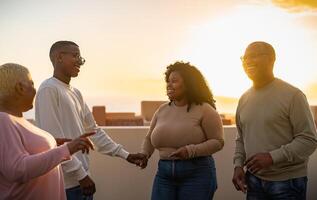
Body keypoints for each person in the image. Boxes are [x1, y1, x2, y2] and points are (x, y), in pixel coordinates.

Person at [35, 41, 145, 200]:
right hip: (65, 185)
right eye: (75, 56)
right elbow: (53, 142)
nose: (80, 61)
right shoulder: (48, 89)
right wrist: (81, 175)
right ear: (59, 57)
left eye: (80, 57)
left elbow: (94, 131)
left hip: (82, 181)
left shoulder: (75, 93)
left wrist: (125, 155)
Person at [232, 41, 317, 200]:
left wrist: (272, 157)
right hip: (253, 181)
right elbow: (241, 138)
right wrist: (238, 165)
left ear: (271, 59)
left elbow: (309, 140)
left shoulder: (293, 95)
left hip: (287, 182)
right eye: (245, 57)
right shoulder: (244, 98)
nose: (248, 61)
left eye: (254, 56)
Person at [0, 63, 95, 200]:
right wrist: (67, 149)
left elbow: (23, 150)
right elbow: (17, 169)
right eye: (31, 84)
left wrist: (53, 144)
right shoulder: (3, 120)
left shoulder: (16, 120)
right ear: (20, 88)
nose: (35, 90)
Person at [139, 61, 224, 200]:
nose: (169, 85)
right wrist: (144, 154)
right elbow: (149, 138)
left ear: (188, 84)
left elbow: (218, 142)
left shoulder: (204, 109)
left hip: (197, 174)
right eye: (168, 81)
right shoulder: (162, 110)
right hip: (164, 175)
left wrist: (190, 151)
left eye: (174, 81)